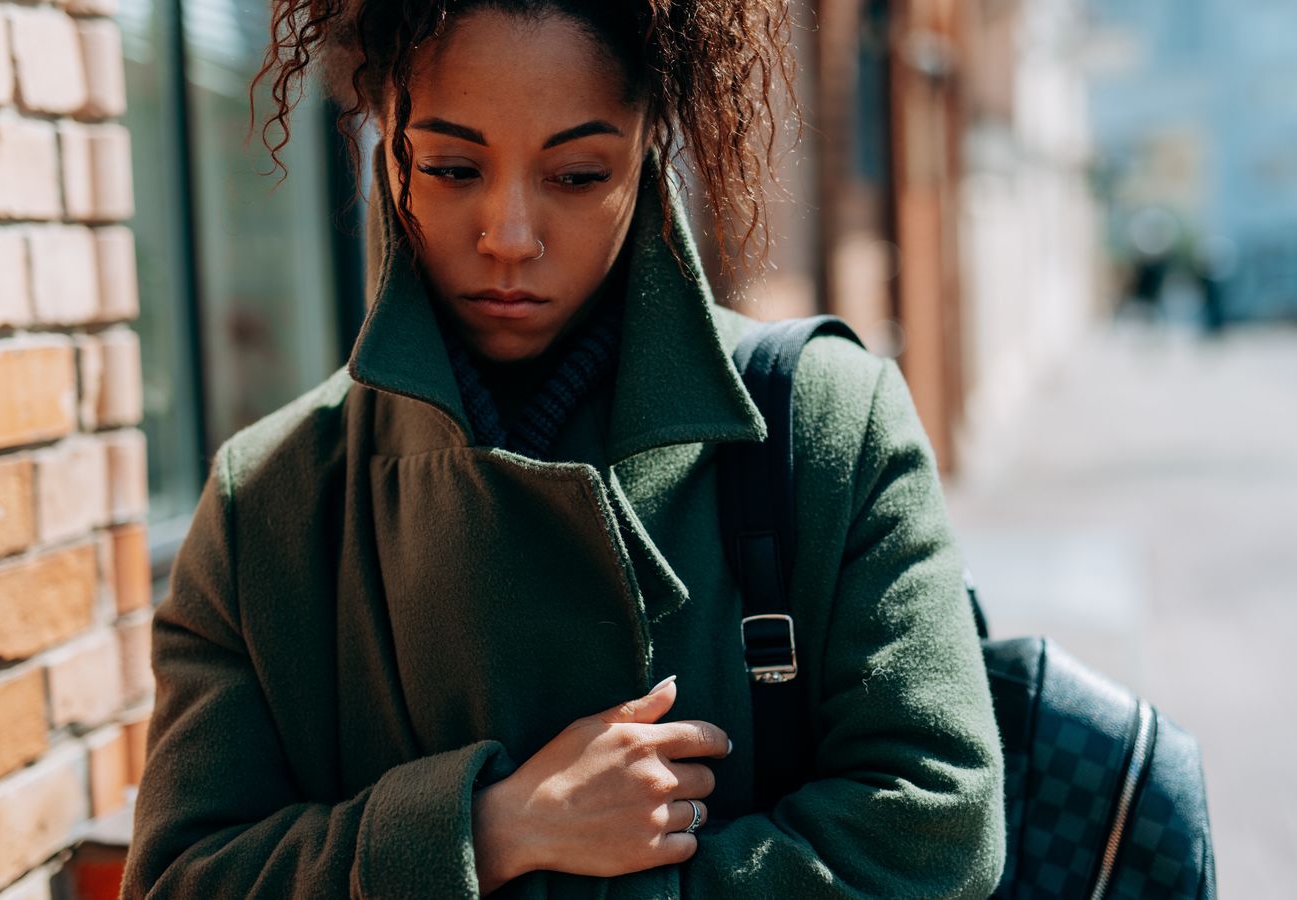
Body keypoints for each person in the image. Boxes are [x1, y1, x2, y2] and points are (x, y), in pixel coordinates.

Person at [121, 1, 1004, 897]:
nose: (508, 236)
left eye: (578, 175)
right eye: (453, 167)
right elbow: (179, 877)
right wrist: (491, 829)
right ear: (390, 147)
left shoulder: (824, 425)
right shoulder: (271, 499)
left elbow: (937, 830)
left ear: (651, 141)